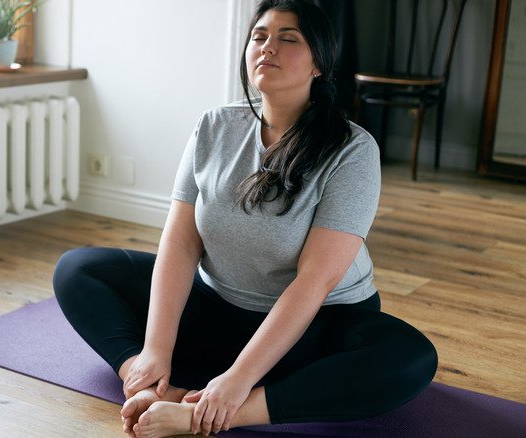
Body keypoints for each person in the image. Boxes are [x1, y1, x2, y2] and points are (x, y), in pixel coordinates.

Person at [53, 1, 438, 437]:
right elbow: (180, 244)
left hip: (313, 328)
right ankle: (151, 385)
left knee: (410, 357)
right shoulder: (215, 125)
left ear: (319, 63)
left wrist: (236, 385)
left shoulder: (353, 149)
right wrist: (154, 352)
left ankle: (221, 411)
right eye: (259, 36)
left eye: (288, 38)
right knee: (78, 269)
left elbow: (314, 282)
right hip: (219, 310)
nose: (267, 47)